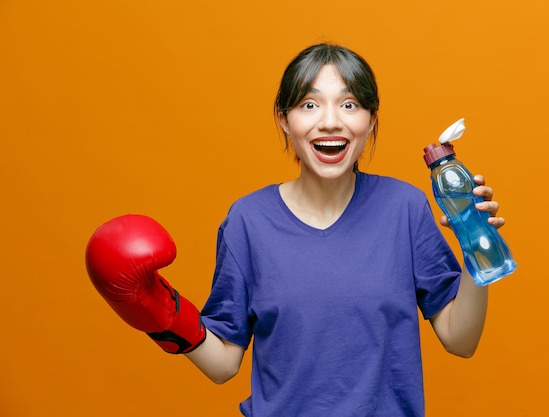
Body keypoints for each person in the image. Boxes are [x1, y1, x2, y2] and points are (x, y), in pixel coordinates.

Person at [86, 43, 506, 417]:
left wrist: (477, 247)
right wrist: (156, 312)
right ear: (284, 120)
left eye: (349, 105)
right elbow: (224, 363)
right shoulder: (247, 221)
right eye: (308, 105)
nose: (329, 122)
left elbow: (460, 340)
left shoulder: (406, 207)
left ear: (371, 121)